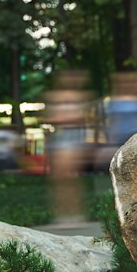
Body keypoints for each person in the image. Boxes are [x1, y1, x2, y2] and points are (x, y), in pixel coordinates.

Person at [43, 70, 91, 226]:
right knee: (59, 180)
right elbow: (49, 118)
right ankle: (62, 214)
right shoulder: (54, 96)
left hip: (74, 140)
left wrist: (63, 119)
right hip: (60, 140)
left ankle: (76, 213)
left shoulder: (80, 97)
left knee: (73, 178)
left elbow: (83, 118)